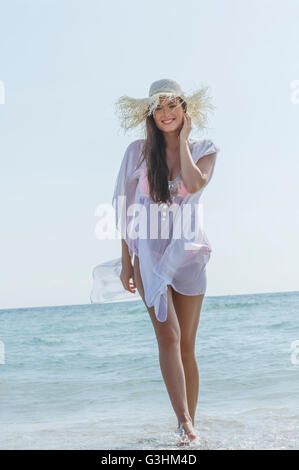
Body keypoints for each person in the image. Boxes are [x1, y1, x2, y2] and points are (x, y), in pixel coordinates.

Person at [92, 78, 220, 444]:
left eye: (172, 106)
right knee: (167, 335)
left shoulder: (205, 148)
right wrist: (126, 260)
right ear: (150, 114)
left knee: (187, 345)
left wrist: (183, 141)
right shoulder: (136, 152)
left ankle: (189, 425)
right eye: (158, 108)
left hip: (189, 253)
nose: (166, 114)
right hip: (148, 252)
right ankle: (184, 423)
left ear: (184, 109)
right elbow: (125, 207)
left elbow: (194, 185)